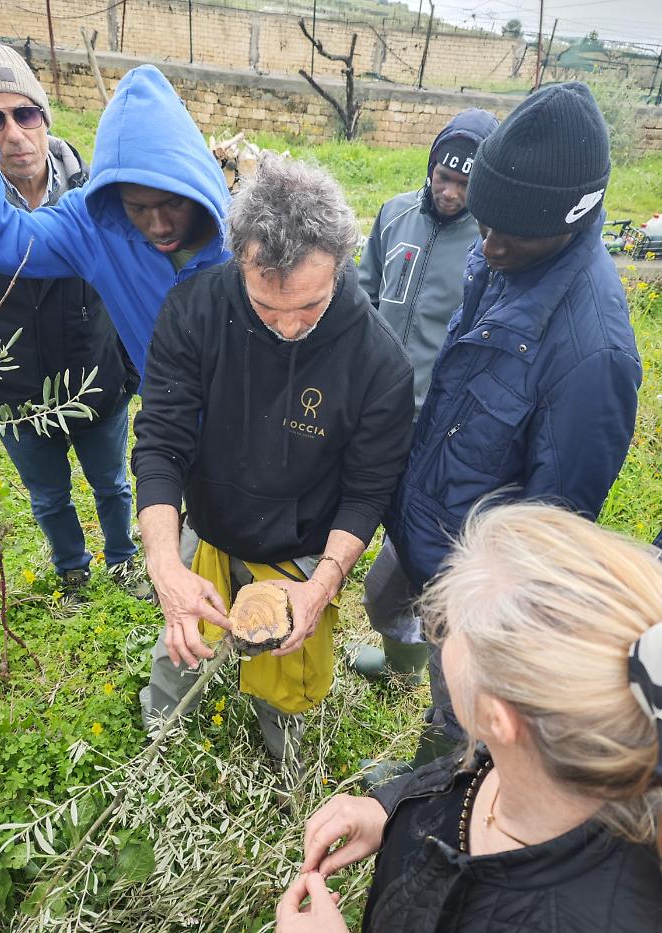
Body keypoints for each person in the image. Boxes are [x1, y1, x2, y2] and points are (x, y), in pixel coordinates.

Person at [368, 81, 642, 779]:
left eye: (505, 232)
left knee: (457, 687)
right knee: (383, 598)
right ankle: (402, 659)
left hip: (479, 559)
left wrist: (492, 605)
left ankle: (434, 779)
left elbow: (556, 519)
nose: (485, 244)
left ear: (570, 220)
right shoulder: (505, 258)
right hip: (431, 504)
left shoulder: (593, 354)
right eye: (482, 224)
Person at [132, 156, 415, 783]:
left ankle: (285, 765)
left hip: (298, 555)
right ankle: (157, 741)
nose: (288, 326)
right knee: (178, 651)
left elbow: (368, 493)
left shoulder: (378, 363)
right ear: (240, 263)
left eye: (309, 307)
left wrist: (322, 586)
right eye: (265, 306)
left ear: (340, 264)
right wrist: (163, 563)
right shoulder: (196, 309)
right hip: (206, 530)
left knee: (287, 681)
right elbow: (160, 441)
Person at [277, 501, 662, 932]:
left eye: (449, 628)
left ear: (497, 717)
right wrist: (390, 808)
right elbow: (469, 774)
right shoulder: (535, 757)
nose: (438, 632)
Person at [0, 39, 139, 587]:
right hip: (17, 394)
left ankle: (123, 559)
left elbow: (127, 284)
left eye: (25, 113)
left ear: (44, 117)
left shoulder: (96, 194)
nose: (14, 134)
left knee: (112, 482)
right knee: (48, 495)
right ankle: (72, 573)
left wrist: (128, 371)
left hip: (97, 381)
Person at [0, 31, 231, 376]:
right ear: (114, 201)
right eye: (137, 209)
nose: (160, 226)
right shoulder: (92, 227)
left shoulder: (250, 237)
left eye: (174, 203)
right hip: (169, 424)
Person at [348, 108, 498, 687]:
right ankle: (400, 660)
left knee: (411, 563)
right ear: (431, 165)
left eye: (465, 183)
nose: (451, 191)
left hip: (434, 432)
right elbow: (363, 296)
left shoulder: (490, 247)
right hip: (374, 413)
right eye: (444, 176)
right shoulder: (394, 215)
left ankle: (409, 661)